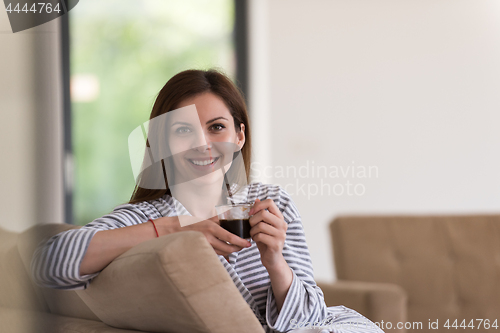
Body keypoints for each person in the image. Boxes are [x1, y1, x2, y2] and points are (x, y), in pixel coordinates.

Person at [32, 69, 384, 333]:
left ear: (239, 135)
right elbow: (47, 261)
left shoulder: (270, 201)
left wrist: (275, 260)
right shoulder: (146, 218)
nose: (202, 143)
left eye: (216, 127)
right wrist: (175, 228)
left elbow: (308, 319)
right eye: (183, 130)